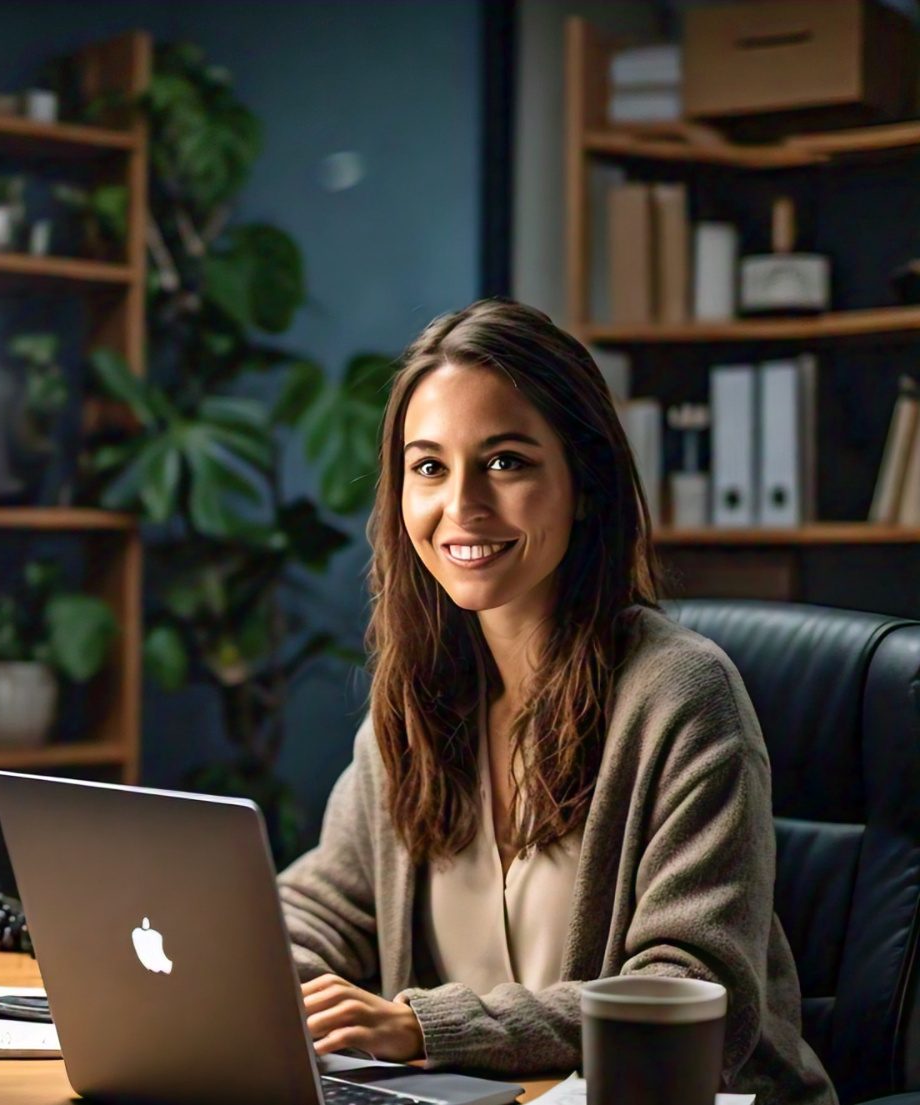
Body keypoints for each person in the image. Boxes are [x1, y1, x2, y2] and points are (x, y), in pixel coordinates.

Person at [278, 299, 836, 1104]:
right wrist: (258, 982)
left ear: (583, 481)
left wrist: (424, 1026)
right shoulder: (420, 700)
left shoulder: (681, 695)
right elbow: (321, 906)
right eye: (429, 467)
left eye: (505, 462)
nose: (461, 506)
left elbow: (683, 990)